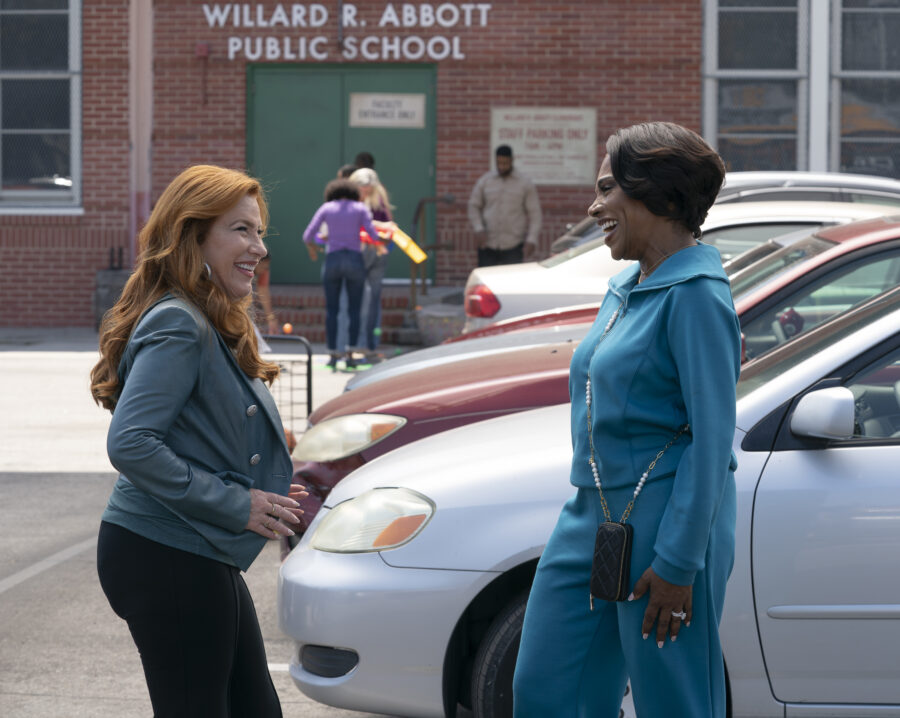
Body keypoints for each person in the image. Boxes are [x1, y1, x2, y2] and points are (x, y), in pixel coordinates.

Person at [513, 122, 741, 717]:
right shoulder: (626, 285)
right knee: (546, 691)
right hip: (590, 516)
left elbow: (712, 442)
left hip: (668, 525)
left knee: (674, 700)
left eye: (608, 188)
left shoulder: (696, 295)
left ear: (657, 194)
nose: (594, 207)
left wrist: (678, 562)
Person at [90, 164, 307, 717]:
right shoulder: (180, 323)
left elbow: (195, 429)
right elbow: (132, 442)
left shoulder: (205, 318)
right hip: (162, 551)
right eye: (241, 230)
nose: (257, 247)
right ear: (193, 235)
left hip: (195, 548)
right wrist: (239, 503)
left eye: (259, 232)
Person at [303, 178, 382, 369]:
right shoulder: (360, 208)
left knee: (332, 310)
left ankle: (332, 354)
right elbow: (372, 234)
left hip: (333, 260)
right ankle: (351, 355)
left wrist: (315, 247)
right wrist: (382, 239)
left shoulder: (327, 208)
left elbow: (307, 236)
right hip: (355, 260)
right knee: (354, 310)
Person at [467, 144, 542, 266]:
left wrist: (532, 239)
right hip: (487, 245)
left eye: (505, 163)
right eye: (499, 163)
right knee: (486, 283)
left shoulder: (524, 183)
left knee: (510, 284)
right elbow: (473, 206)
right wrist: (478, 228)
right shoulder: (485, 181)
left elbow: (535, 214)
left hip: (513, 245)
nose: (502, 166)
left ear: (512, 160)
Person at [349, 167, 395, 361]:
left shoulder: (379, 199)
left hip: (377, 251)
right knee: (361, 298)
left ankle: (369, 345)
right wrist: (382, 226)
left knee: (373, 298)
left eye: (368, 188)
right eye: (363, 188)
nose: (366, 191)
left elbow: (388, 223)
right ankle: (357, 344)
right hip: (360, 249)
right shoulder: (351, 201)